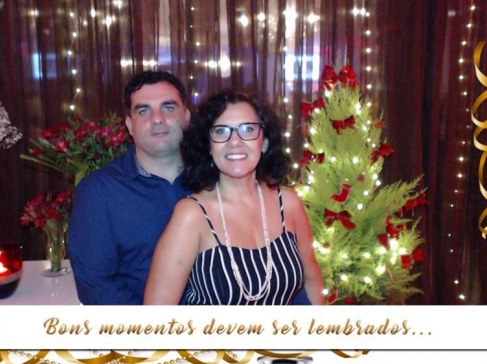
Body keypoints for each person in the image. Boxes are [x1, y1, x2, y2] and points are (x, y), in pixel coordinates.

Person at [144, 90, 324, 305]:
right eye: (221, 131)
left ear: (264, 142)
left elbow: (312, 279)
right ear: (208, 146)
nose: (235, 141)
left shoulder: (288, 202)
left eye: (247, 129)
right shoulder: (192, 214)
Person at [68, 71, 191, 304]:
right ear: (129, 125)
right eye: (143, 111)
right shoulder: (98, 192)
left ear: (186, 116)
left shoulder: (215, 180)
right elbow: (97, 286)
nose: (157, 119)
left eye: (168, 107)